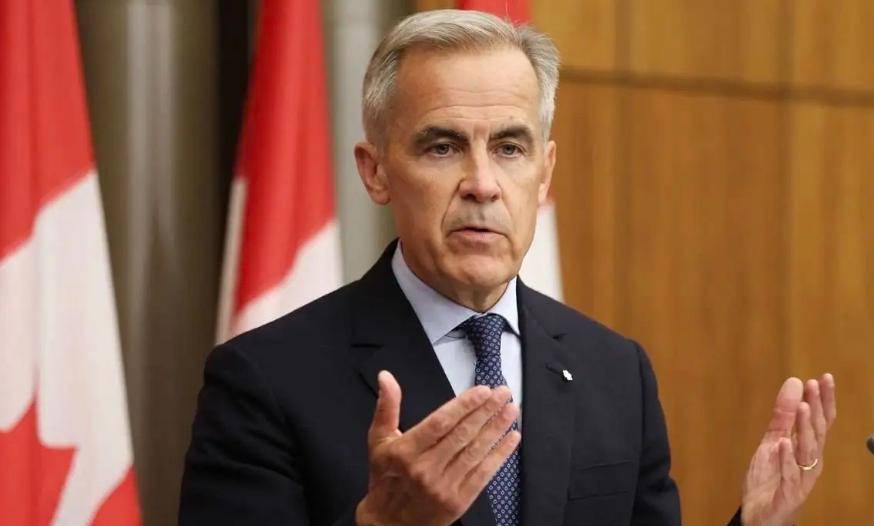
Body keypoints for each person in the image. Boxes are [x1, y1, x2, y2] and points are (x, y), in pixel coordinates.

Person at [179, 10, 837, 526]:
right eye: (442, 147)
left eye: (510, 148)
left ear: (544, 173)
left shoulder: (616, 373)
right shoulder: (264, 381)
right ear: (375, 172)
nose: (483, 184)